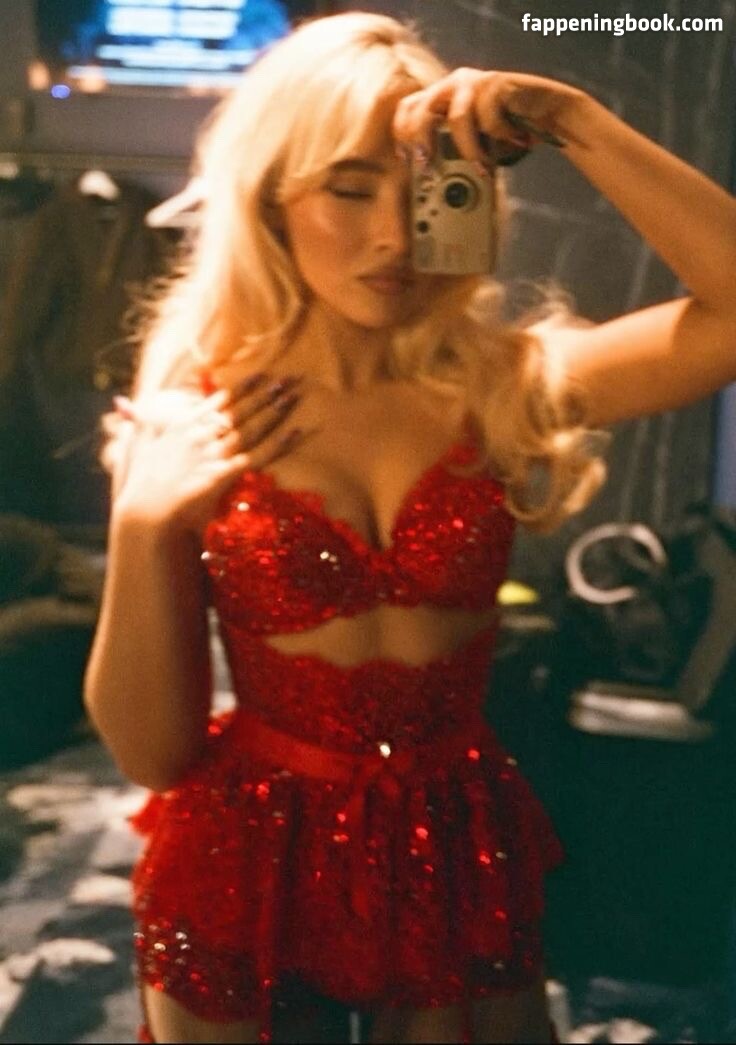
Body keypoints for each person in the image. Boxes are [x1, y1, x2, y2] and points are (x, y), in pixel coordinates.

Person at [83, 11, 736, 1045]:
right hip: (246, 855)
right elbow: (153, 752)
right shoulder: (206, 406)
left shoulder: (502, 384)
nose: (394, 235)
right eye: (349, 189)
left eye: (427, 187)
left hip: (452, 845)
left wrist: (576, 121)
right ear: (270, 197)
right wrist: (141, 523)